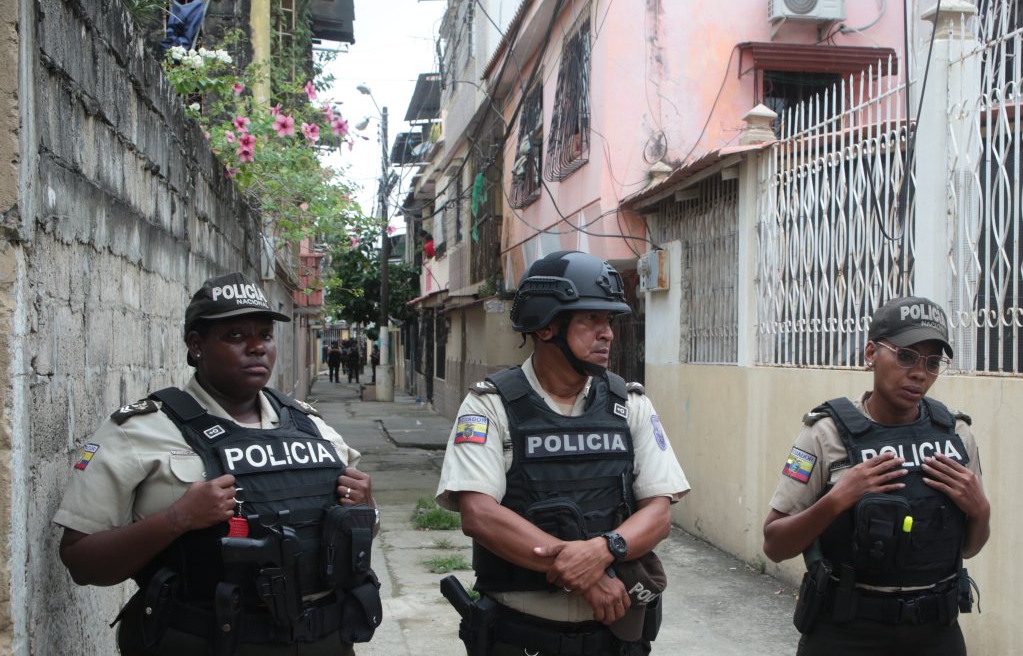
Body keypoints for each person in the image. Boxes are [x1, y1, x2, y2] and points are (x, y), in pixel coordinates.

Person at [53, 272, 382, 655]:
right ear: (197, 346)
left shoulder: (313, 428)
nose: (257, 347)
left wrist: (366, 507)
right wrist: (178, 519)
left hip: (324, 640)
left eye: (265, 335)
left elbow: (358, 533)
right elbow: (81, 561)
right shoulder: (139, 431)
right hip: (203, 640)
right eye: (236, 336)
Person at [435, 250, 690, 656]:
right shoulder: (490, 405)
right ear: (548, 325)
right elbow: (479, 514)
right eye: (591, 319)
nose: (607, 333)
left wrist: (604, 550)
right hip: (522, 635)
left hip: (614, 638)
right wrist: (585, 577)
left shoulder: (630, 404)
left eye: (609, 321)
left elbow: (658, 513)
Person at [762, 296, 991, 656]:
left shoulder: (956, 435)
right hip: (847, 630)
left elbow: (969, 547)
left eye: (932, 363)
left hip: (935, 631)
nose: (919, 373)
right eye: (905, 356)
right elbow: (774, 544)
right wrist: (838, 499)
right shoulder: (826, 434)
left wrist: (981, 511)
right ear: (871, 352)